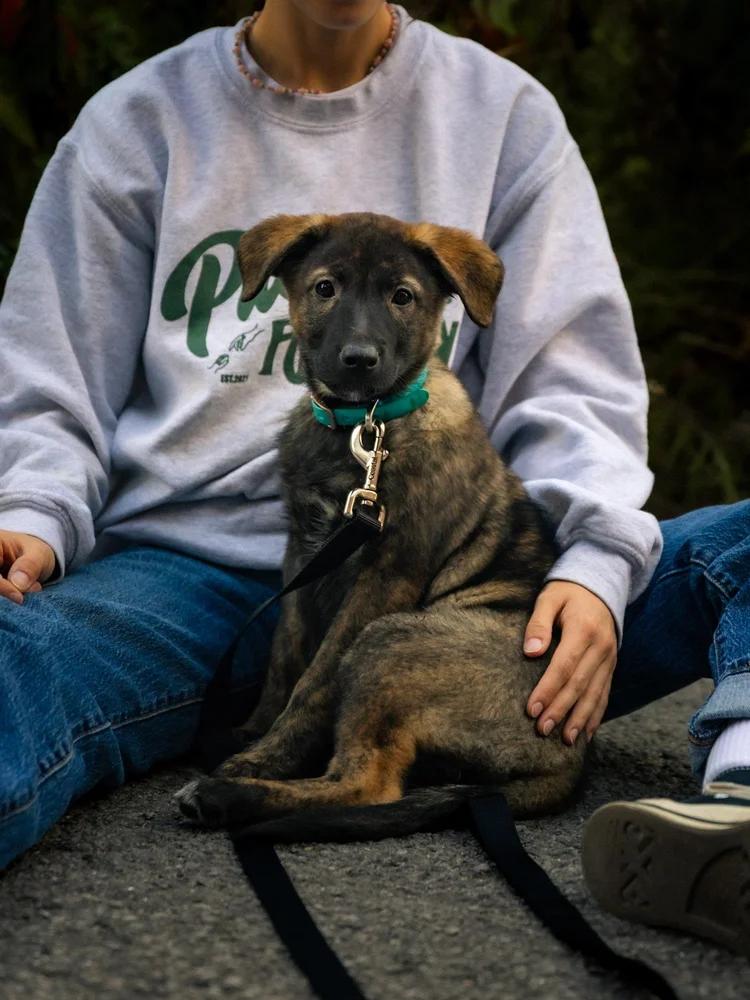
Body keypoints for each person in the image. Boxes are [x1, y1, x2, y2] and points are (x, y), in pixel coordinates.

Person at [0, 0, 747, 955]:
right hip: (185, 577)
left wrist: (594, 565)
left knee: (741, 547)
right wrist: (33, 512)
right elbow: (48, 375)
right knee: (20, 653)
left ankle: (736, 799)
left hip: (473, 594)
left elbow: (574, 388)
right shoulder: (139, 121)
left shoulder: (504, 114)